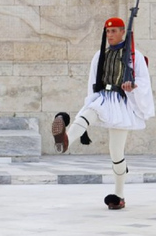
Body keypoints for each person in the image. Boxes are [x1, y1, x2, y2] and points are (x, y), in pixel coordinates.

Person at [52, 16, 154, 210]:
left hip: (121, 103)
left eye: (114, 31)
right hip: (102, 98)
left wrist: (132, 86)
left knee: (116, 153)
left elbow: (143, 80)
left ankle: (119, 196)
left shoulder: (134, 56)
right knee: (88, 112)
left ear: (123, 32)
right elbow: (93, 80)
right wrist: (90, 99)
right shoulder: (100, 55)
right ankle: (65, 140)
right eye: (108, 32)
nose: (110, 35)